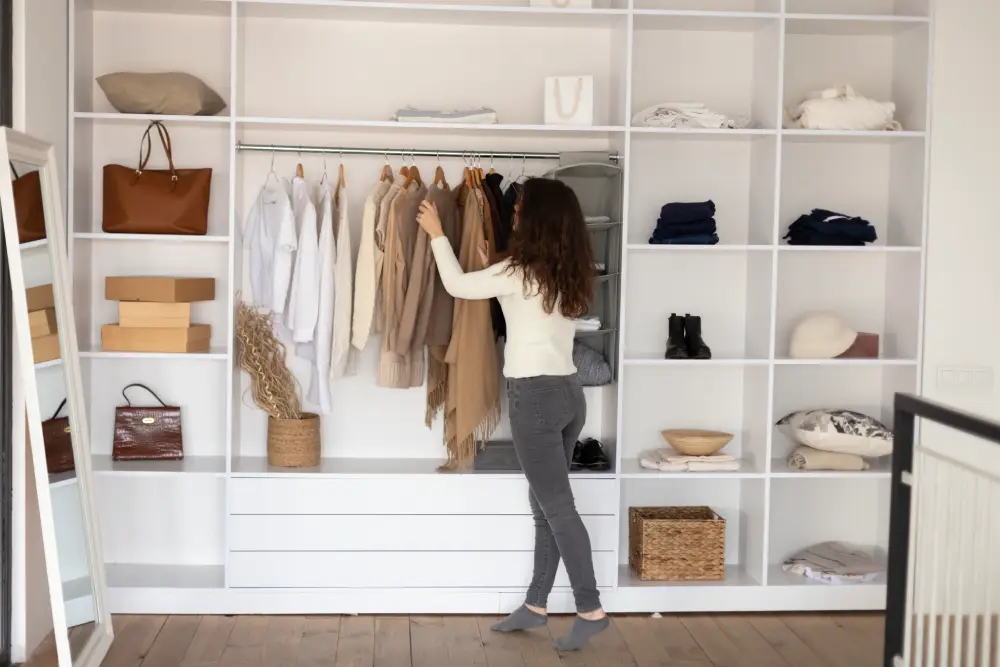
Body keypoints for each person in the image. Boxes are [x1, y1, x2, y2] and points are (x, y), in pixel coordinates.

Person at [417, 178, 608, 651]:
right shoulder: (569, 270)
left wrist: (438, 232)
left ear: (536, 219)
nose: (515, 215)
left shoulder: (518, 272)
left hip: (536, 400)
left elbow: (457, 285)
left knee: (557, 509)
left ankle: (590, 607)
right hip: (568, 395)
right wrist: (495, 264)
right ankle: (536, 604)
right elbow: (523, 303)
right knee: (546, 507)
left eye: (521, 209)